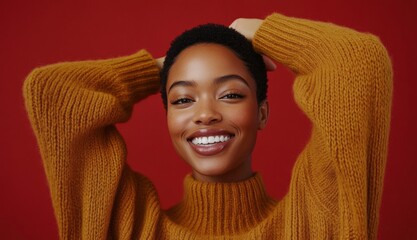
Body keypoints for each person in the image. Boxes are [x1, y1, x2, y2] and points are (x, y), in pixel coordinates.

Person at [23, 12, 392, 239]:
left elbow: (358, 62)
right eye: (183, 99)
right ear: (167, 115)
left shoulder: (315, 219)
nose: (204, 114)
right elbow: (53, 94)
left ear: (262, 113)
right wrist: (162, 66)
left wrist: (261, 31)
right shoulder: (130, 226)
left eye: (230, 94)